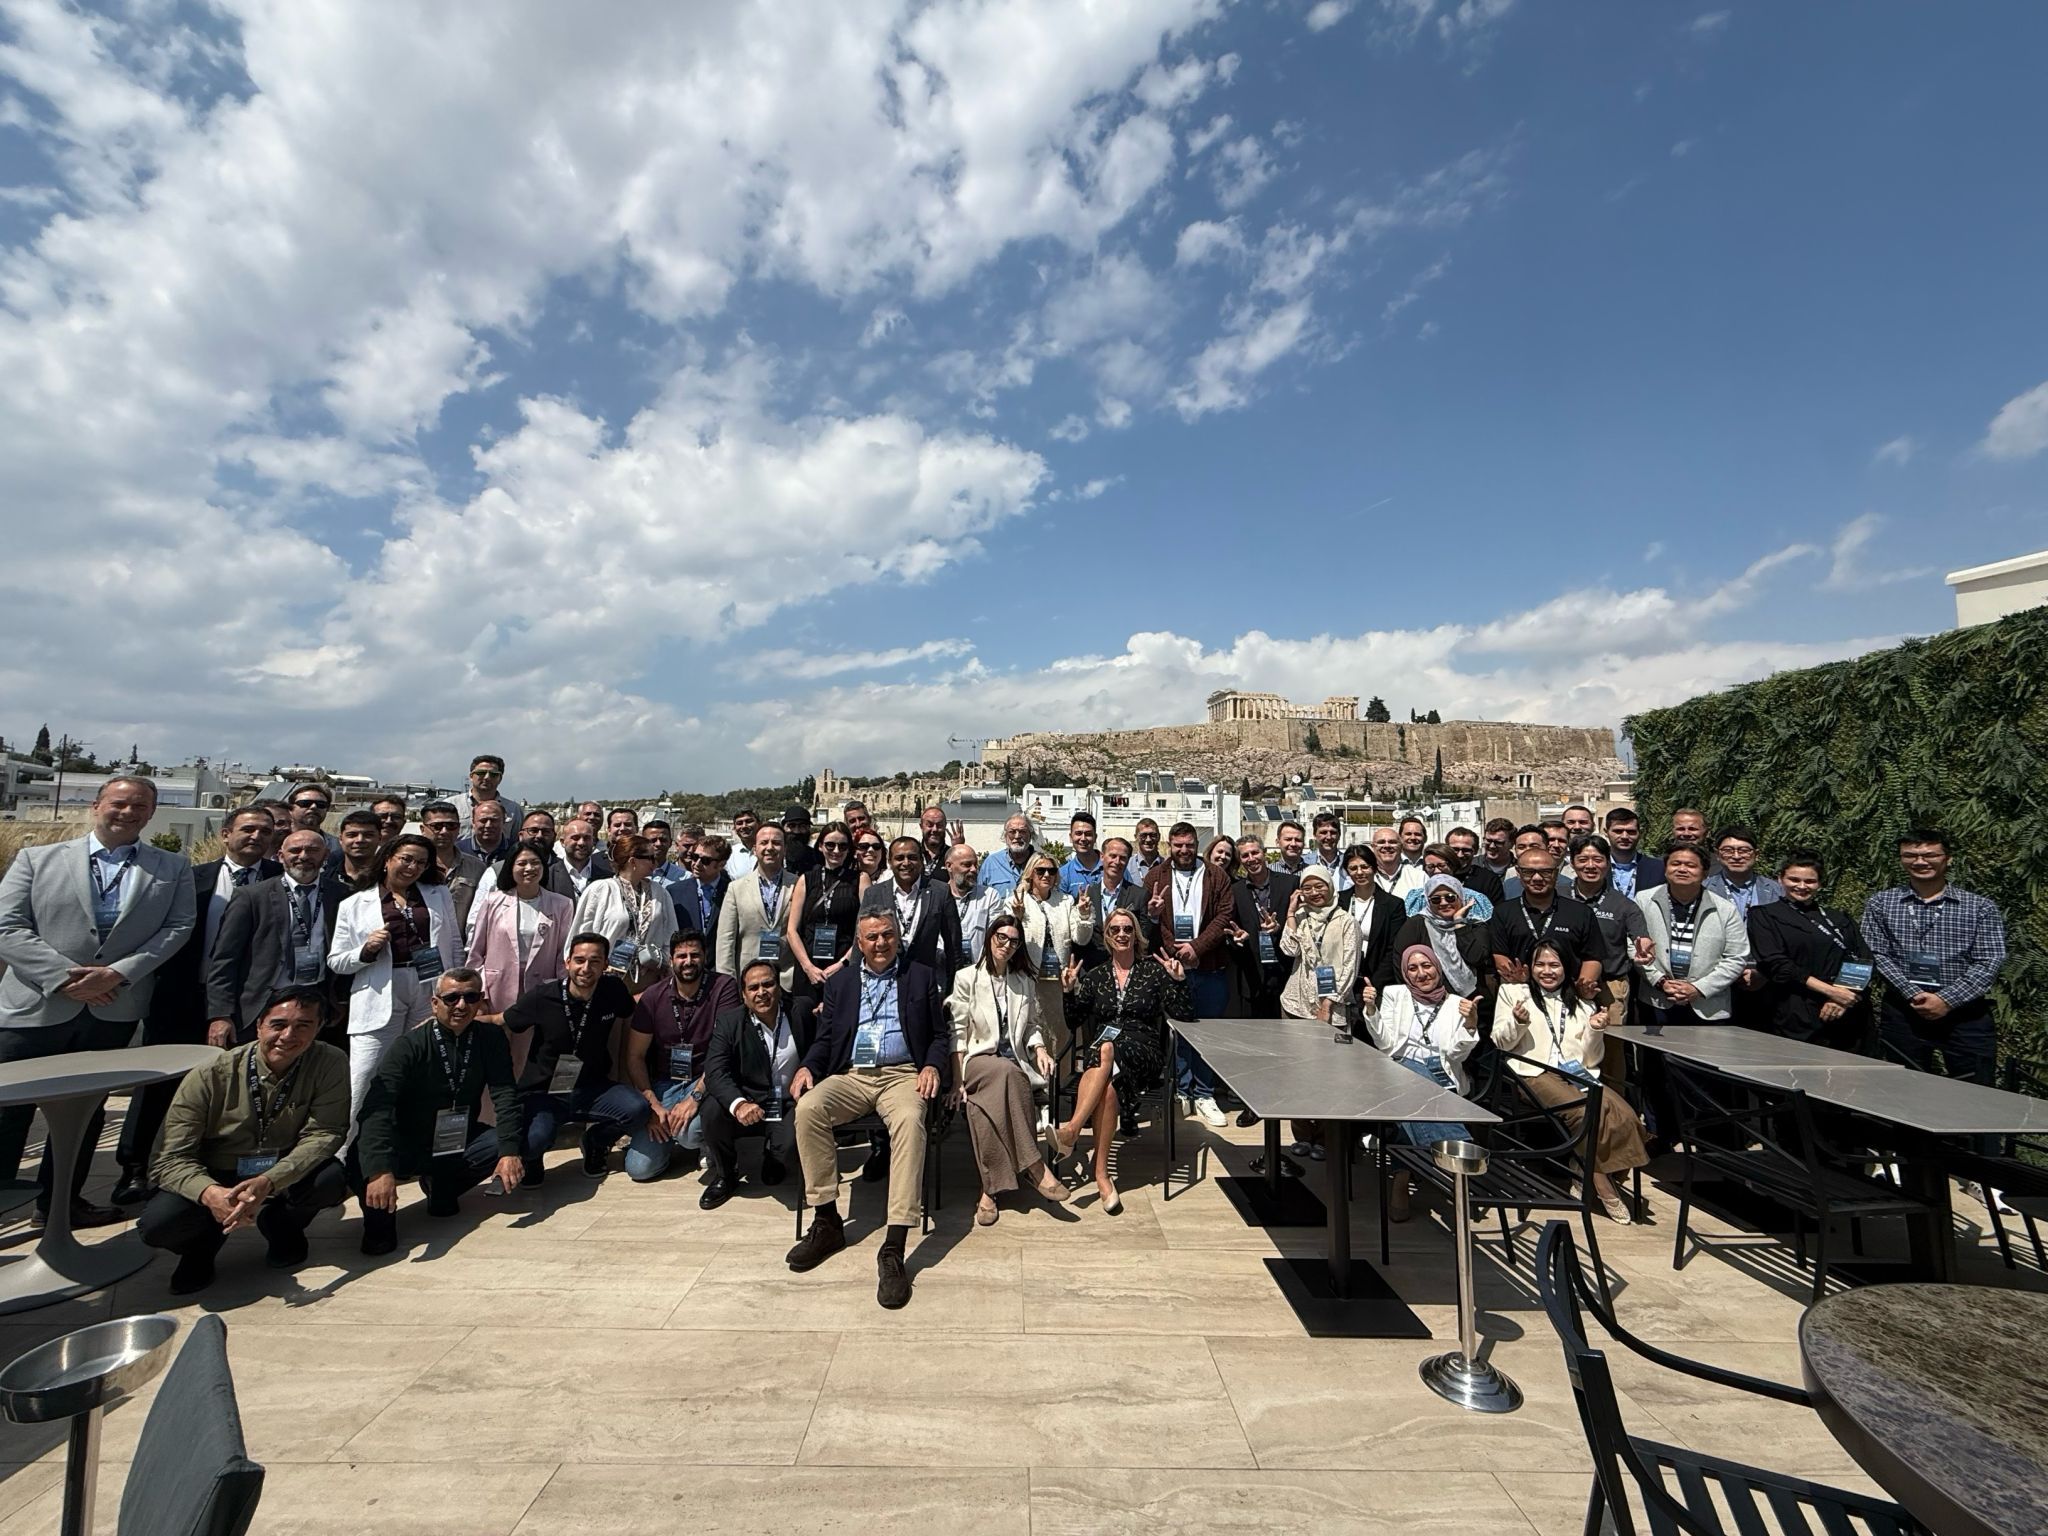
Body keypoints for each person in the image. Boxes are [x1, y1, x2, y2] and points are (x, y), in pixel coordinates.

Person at [0, 775, 197, 1226]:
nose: (128, 812)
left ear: (151, 813)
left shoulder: (171, 867)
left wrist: (117, 974)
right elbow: (7, 926)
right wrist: (62, 978)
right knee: (8, 1113)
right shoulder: (36, 859)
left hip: (112, 1007)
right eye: (119, 803)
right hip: (34, 1008)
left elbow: (178, 927)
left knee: (85, 1111)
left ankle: (61, 1206)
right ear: (96, 805)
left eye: (140, 806)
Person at [784, 911, 949, 1310]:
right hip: (853, 1074)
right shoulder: (840, 983)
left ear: (898, 938)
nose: (880, 943)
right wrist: (808, 1067)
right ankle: (827, 1220)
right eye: (872, 937)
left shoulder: (921, 976)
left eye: (887, 935)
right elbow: (825, 1040)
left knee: (910, 1120)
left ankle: (894, 1246)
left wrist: (932, 1065)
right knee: (809, 1109)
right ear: (859, 944)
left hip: (903, 1074)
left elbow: (940, 1036)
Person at [115, 805, 280, 1204]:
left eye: (265, 831)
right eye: (248, 829)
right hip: (183, 997)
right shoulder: (189, 878)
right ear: (225, 834)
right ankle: (135, 1168)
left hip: (247, 1003)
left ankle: (216, 1167)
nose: (256, 837)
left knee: (236, 1088)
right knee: (159, 1085)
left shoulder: (281, 880)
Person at [139, 987, 349, 1293]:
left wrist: (270, 1181)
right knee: (158, 1224)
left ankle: (282, 1227)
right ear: (259, 1025)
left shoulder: (330, 1062)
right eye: (278, 1025)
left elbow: (326, 1132)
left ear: (318, 1028)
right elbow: (168, 1159)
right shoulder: (211, 1074)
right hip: (215, 1170)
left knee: (330, 1179)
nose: (288, 1036)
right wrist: (210, 1194)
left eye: (303, 1025)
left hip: (280, 1165)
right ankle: (201, 1246)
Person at [348, 968, 525, 1255]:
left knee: (503, 1142)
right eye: (452, 998)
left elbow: (505, 1094)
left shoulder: (490, 1038)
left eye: (470, 997)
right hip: (407, 1141)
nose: (461, 1005)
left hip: (453, 1140)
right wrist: (379, 1170)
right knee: (361, 1163)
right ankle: (379, 1219)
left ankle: (441, 1186)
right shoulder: (409, 1046)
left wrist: (509, 1152)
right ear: (435, 1003)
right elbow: (377, 1107)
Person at [1492, 936, 1648, 1224]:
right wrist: (1518, 1022)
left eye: (1554, 965)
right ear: (1531, 966)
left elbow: (1591, 1059)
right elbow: (1500, 1043)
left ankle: (1581, 1170)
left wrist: (1595, 1031)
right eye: (1540, 964)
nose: (1547, 971)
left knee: (1625, 1115)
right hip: (1532, 1072)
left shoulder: (1581, 1001)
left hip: (1575, 1072)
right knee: (1582, 1112)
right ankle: (1601, 1183)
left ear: (1566, 967)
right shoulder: (1513, 992)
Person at [1054, 909, 1188, 1213]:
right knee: (1108, 1087)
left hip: (1143, 1050)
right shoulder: (1096, 976)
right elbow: (1074, 1020)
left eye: (1127, 929)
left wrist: (1179, 981)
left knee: (1104, 1049)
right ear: (1107, 937)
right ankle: (1102, 1176)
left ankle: (1072, 1129)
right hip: (1105, 1055)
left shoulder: (1153, 972)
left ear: (1136, 935)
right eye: (1115, 930)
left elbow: (1183, 1014)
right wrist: (1068, 991)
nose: (1122, 934)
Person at [329, 833, 462, 1124]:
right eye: (406, 859)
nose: (413, 868)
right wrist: (365, 951)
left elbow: (453, 942)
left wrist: (455, 988)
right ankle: (348, 1144)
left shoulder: (437, 894)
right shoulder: (354, 903)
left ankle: (410, 1141)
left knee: (423, 1069)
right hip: (381, 989)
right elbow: (336, 961)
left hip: (429, 986)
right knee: (366, 1073)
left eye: (421, 863)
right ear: (387, 859)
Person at [1861, 829, 2007, 1087]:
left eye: (1930, 855)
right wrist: (1912, 993)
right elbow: (1875, 952)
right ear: (1901, 859)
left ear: (1947, 859)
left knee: (1977, 1092)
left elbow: (1989, 960)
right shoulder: (1881, 903)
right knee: (1902, 1088)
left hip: (1965, 1014)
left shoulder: (1980, 907)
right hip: (1904, 1011)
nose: (1920, 862)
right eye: (1910, 855)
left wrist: (1946, 1000)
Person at [945, 913, 1066, 1224]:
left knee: (982, 1109)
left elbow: (1032, 1026)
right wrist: (957, 1081)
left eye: (1014, 941)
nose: (1007, 945)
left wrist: (1039, 1049)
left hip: (1012, 1064)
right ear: (990, 938)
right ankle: (1035, 1167)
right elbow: (957, 1033)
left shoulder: (1023, 981)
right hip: (977, 1061)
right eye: (1002, 937)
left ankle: (990, 1190)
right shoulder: (967, 978)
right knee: (1009, 1074)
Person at [500, 934, 649, 1181]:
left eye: (594, 961)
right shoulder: (543, 996)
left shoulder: (612, 990)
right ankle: (532, 1159)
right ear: (567, 962)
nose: (586, 968)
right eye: (579, 960)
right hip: (544, 1093)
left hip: (592, 1089)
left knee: (638, 1110)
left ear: (605, 965)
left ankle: (595, 1141)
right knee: (533, 1140)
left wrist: (665, 989)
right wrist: (449, 1024)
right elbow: (502, 1020)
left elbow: (632, 1006)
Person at [1362, 945, 1482, 1220]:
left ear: (1437, 968)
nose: (1421, 973)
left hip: (1443, 1076)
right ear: (1405, 973)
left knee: (1409, 1109)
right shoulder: (1395, 994)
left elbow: (1456, 1055)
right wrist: (1371, 1010)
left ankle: (1402, 1177)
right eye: (1413, 968)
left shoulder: (1456, 1004)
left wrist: (1470, 1025)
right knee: (1409, 1071)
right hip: (1399, 1070)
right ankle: (1456, 1144)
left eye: (1426, 966)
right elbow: (1386, 1045)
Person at [206, 827, 352, 1046]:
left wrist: (340, 1000)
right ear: (281, 856)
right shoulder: (252, 896)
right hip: (261, 1002)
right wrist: (220, 1014)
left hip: (318, 1001)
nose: (303, 856)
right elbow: (225, 958)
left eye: (312, 850)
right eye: (295, 850)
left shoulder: (343, 895)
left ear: (325, 855)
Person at [622, 931, 739, 1183]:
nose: (688, 961)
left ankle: (706, 1140)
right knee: (639, 1169)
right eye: (681, 956)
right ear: (671, 960)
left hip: (707, 1079)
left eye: (695, 955)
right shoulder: (653, 996)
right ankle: (672, 1136)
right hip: (665, 1084)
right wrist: (652, 1105)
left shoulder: (724, 987)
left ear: (704, 957)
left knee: (689, 1134)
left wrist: (695, 1098)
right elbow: (635, 1056)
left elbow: (724, 1053)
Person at [1141, 822, 1231, 1127]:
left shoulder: (1216, 875)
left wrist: (1197, 947)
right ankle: (1182, 1090)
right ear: (1169, 845)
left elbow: (1224, 915)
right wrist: (1176, 949)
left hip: (1208, 966)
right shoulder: (1156, 876)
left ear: (1196, 845)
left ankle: (1204, 1093)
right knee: (1178, 1032)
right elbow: (1153, 921)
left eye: (1189, 845)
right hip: (1172, 967)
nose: (1184, 850)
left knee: (1207, 1032)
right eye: (1178, 845)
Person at [465, 842, 575, 1087]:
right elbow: (476, 953)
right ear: (511, 867)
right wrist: (478, 994)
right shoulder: (493, 901)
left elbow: (562, 955)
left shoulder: (562, 904)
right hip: (496, 991)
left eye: (535, 863)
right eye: (522, 863)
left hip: (539, 992)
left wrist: (560, 993)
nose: (529, 868)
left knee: (527, 1058)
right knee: (493, 1056)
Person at [697, 959, 802, 1208]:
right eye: (753, 988)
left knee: (789, 1148)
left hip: (787, 1101)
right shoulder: (729, 1022)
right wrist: (739, 1103)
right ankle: (726, 1173)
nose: (761, 992)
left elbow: (821, 1047)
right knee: (711, 1111)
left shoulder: (800, 1011)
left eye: (768, 984)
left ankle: (773, 1155)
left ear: (778, 987)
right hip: (747, 1100)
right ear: (744, 995)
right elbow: (715, 1071)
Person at [1748, 852, 1875, 1050]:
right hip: (1795, 1009)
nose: (1801, 886)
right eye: (1794, 879)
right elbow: (1776, 963)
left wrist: (1842, 997)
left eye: (1810, 881)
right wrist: (1830, 991)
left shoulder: (1838, 918)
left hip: (1846, 1010)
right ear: (1780, 879)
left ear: (1820, 884)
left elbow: (1863, 958)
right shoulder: (1764, 915)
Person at [1278, 866, 1359, 1159]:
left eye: (1319, 886)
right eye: (1308, 888)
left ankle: (1326, 1136)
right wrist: (1290, 913)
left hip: (1332, 1008)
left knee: (1330, 1076)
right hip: (1296, 1003)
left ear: (1330, 886)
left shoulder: (1346, 921)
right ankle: (1302, 1133)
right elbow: (1288, 949)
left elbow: (1349, 966)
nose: (1314, 893)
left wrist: (1329, 1003)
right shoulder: (1301, 918)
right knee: (1297, 1073)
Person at [1634, 844, 1748, 1024]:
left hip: (1708, 1005)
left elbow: (1736, 957)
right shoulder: (1643, 900)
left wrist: (1699, 988)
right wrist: (1660, 981)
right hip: (1657, 1000)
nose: (1682, 869)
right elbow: (1632, 944)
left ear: (1705, 873)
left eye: (1691, 865)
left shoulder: (1725, 909)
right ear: (1665, 869)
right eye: (1675, 864)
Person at [570, 833, 679, 992]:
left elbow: (671, 934)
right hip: (605, 979)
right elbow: (580, 933)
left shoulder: (660, 893)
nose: (655, 863)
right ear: (633, 861)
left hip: (648, 981)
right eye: (650, 858)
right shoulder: (600, 890)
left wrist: (667, 967)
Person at [1489, 850, 1606, 999]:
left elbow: (1592, 957)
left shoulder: (1581, 913)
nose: (1537, 878)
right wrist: (1518, 979)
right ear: (1518, 873)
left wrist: (1582, 988)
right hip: (1520, 991)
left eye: (1545, 872)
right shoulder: (1503, 912)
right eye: (1528, 872)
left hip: (1569, 994)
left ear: (1556, 873)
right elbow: (1499, 954)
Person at [1566, 835, 1647, 1045]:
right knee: (1570, 1043)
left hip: (1610, 986)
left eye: (1598, 859)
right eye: (1583, 859)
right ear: (1572, 862)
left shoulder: (1624, 905)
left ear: (1608, 863)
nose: (1590, 866)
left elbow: (1641, 939)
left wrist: (1645, 952)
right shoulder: (1558, 896)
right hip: (1564, 984)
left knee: (1611, 1047)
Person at [1375, 874, 1494, 1015]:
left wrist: (1459, 923)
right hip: (1430, 1004)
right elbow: (1401, 964)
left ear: (1461, 897)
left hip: (1474, 1002)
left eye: (1450, 897)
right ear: (1427, 900)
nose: (1443, 903)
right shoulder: (1416, 925)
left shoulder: (1475, 924)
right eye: (1436, 899)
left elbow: (1476, 957)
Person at [1013, 851, 1092, 1064]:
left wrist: (1084, 915)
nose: (1046, 875)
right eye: (1040, 870)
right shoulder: (1017, 899)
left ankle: (1061, 1080)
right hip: (1029, 979)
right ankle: (1035, 1079)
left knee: (1060, 1034)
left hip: (1058, 981)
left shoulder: (1065, 901)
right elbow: (1008, 937)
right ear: (1030, 874)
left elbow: (1081, 938)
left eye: (1051, 870)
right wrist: (1017, 917)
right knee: (1033, 1031)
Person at [716, 824, 798, 989]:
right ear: (754, 849)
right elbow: (726, 941)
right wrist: (728, 986)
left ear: (785, 849)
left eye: (776, 843)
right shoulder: (736, 889)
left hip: (787, 980)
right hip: (749, 981)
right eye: (764, 842)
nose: (770, 847)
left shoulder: (798, 884)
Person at [787, 821, 860, 1005]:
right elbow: (792, 931)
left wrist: (843, 963)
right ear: (820, 846)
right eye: (830, 845)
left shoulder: (859, 880)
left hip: (843, 967)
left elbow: (863, 931)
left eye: (842, 846)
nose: (836, 850)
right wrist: (808, 967)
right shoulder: (806, 879)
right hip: (808, 969)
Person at [1228, 833, 1298, 1019]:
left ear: (1264, 852)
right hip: (1253, 978)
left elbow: (1301, 924)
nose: (1251, 859)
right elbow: (1232, 928)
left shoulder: (1290, 883)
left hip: (1286, 973)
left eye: (1255, 853)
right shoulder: (1235, 891)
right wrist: (1236, 939)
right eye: (1245, 855)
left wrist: (1279, 928)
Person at [1342, 846, 1404, 1020]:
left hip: (1376, 980)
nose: (1359, 872)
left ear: (1374, 868)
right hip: (1344, 979)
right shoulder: (1339, 901)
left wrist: (1374, 983)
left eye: (1364, 867)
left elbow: (1393, 948)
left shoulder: (1393, 905)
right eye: (1353, 868)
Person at [419, 800, 487, 933]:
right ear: (423, 829)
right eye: (437, 826)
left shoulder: (477, 868)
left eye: (451, 826)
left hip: (461, 942)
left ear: (459, 828)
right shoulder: (412, 866)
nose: (444, 831)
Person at [942, 842, 1002, 970]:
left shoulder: (989, 896)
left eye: (975, 865)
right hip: (943, 970)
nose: (974, 869)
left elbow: (996, 936)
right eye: (967, 865)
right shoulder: (937, 896)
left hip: (978, 971)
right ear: (949, 866)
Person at [1704, 825, 1782, 921]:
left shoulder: (1776, 890)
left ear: (1757, 855)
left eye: (1744, 850)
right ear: (1717, 855)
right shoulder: (1704, 889)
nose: (1736, 856)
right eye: (1728, 850)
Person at [447, 754, 523, 837]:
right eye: (481, 773)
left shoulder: (513, 810)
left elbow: (517, 841)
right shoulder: (451, 804)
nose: (487, 777)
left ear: (500, 778)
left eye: (493, 774)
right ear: (471, 776)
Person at [671, 834, 730, 938]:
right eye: (695, 857)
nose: (697, 864)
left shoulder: (733, 892)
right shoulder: (675, 892)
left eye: (705, 861)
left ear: (721, 864)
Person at [1603, 808, 1661, 899]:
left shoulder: (1659, 868)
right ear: (1606, 832)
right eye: (1618, 831)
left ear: (1640, 833)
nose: (1625, 836)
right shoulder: (1596, 867)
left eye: (1631, 832)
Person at [553, 817, 613, 900]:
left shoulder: (608, 877)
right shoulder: (549, 877)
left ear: (593, 842)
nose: (581, 843)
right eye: (575, 838)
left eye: (587, 838)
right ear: (563, 842)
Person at [1444, 826, 1504, 904]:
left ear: (1475, 851)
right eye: (1455, 849)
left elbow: (1498, 909)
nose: (1460, 855)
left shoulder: (1489, 880)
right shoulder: (1437, 874)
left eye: (1466, 850)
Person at [979, 815, 1036, 897]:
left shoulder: (1042, 863)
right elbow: (979, 896)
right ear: (1005, 836)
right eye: (1012, 832)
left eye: (1022, 832)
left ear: (1030, 835)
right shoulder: (991, 863)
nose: (1017, 836)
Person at [329, 809, 383, 886]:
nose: (360, 840)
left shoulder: (389, 879)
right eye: (352, 835)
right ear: (341, 839)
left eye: (368, 835)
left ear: (379, 838)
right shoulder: (323, 880)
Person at [458, 799, 514, 868]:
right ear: (473, 822)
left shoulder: (515, 851)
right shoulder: (458, 850)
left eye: (494, 820)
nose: (488, 825)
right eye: (483, 820)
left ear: (503, 821)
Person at [1058, 811, 1102, 896]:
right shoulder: (1063, 874)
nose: (1083, 838)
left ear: (1095, 837)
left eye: (1088, 834)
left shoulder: (1112, 867)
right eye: (1078, 833)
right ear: (1071, 837)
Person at [1308, 812, 1350, 891]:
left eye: (1333, 832)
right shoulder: (1305, 863)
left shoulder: (1348, 863)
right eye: (1323, 832)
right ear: (1314, 835)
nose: (1329, 837)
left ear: (1339, 835)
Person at [780, 806, 822, 876]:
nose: (796, 831)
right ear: (783, 827)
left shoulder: (817, 857)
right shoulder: (775, 855)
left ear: (809, 828)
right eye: (792, 826)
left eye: (802, 826)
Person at [1478, 818, 1519, 886]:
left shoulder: (1521, 870)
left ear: (1511, 844)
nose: (1492, 846)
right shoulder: (1472, 865)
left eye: (1498, 842)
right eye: (1488, 841)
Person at [725, 809, 763, 880]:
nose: (744, 826)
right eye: (739, 823)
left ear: (759, 824)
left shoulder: (770, 849)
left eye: (749, 821)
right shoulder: (729, 854)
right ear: (734, 828)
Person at [1128, 817, 1164, 885]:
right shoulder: (1127, 866)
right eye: (1143, 835)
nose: (1148, 840)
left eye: (1152, 835)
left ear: (1159, 837)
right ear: (1136, 837)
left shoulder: (1168, 865)